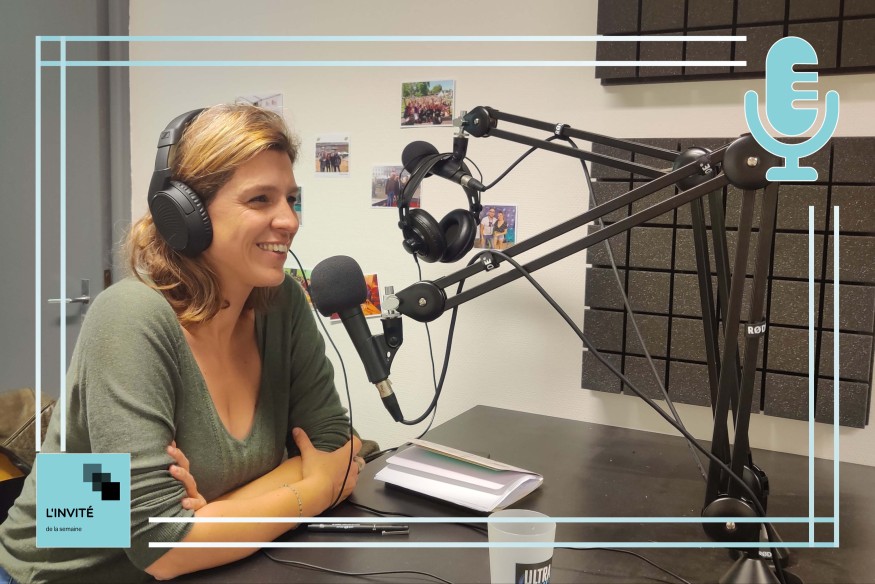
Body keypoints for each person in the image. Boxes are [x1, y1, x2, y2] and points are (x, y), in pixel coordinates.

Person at [0, 104, 365, 583]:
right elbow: (161, 548)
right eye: (260, 199)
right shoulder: (130, 317)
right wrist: (313, 490)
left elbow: (336, 448)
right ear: (185, 213)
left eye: (291, 200)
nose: (289, 221)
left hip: (202, 570)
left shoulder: (283, 305)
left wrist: (209, 519)